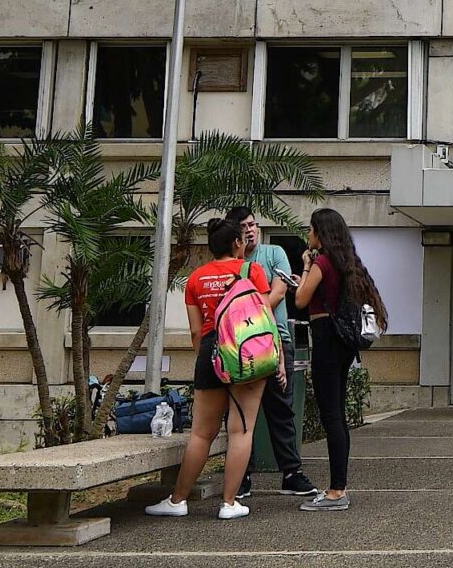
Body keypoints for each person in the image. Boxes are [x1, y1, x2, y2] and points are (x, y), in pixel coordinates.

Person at [147, 216, 284, 521]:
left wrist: (207, 357)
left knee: (201, 433)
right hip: (247, 351)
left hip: (211, 349)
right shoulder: (252, 270)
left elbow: (196, 331)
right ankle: (229, 503)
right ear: (237, 243)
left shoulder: (197, 278)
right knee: (241, 428)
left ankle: (178, 500)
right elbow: (264, 318)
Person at [292, 206, 387, 509]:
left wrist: (306, 267)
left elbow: (301, 299)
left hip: (326, 338)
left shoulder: (322, 261)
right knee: (338, 415)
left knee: (331, 415)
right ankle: (338, 486)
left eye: (311, 229)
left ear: (320, 232)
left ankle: (336, 491)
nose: (308, 235)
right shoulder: (348, 263)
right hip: (344, 344)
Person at [224, 203, 317, 501]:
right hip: (238, 346)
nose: (250, 230)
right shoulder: (231, 262)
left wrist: (245, 309)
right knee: (241, 413)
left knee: (281, 408)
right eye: (243, 227)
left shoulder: (274, 253)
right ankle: (242, 477)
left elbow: (278, 293)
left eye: (252, 224)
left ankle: (291, 473)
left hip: (277, 339)